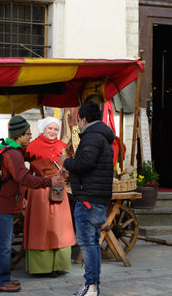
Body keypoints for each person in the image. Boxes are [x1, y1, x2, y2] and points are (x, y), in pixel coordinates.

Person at [0, 115, 64, 293]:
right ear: (19, 135)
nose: (30, 136)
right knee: (4, 246)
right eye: (27, 133)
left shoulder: (9, 149)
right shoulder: (13, 154)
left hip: (1, 204)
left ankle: (3, 278)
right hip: (2, 205)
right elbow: (24, 178)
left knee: (6, 243)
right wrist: (48, 182)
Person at [58, 102, 114, 296]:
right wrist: (71, 172)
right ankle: (92, 285)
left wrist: (65, 161)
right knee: (92, 243)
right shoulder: (103, 137)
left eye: (78, 120)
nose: (77, 124)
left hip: (89, 199)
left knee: (88, 244)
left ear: (83, 119)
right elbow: (90, 167)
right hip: (98, 198)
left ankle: (91, 286)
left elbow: (84, 163)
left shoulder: (91, 137)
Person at [23, 117, 76, 276]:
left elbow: (64, 166)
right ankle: (42, 267)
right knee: (42, 227)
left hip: (59, 191)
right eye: (50, 129)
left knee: (59, 228)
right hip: (40, 191)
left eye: (55, 129)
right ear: (43, 129)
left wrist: (65, 173)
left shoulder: (61, 146)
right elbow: (23, 170)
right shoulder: (31, 147)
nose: (53, 132)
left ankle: (58, 265)